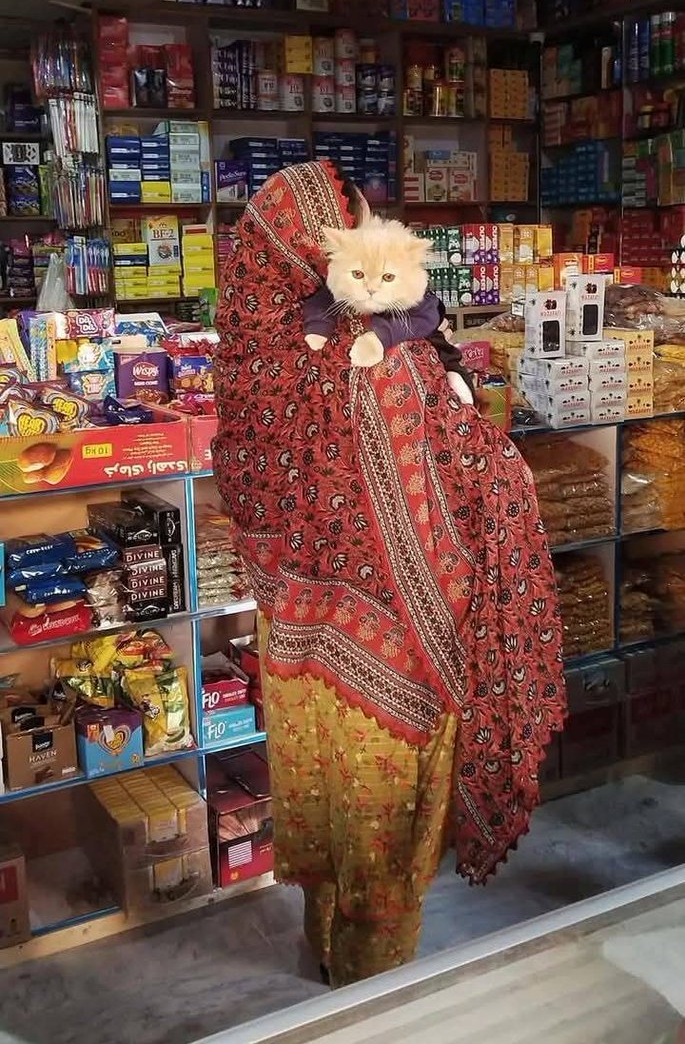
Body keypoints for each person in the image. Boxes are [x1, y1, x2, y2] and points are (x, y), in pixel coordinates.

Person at [212, 159, 565, 988]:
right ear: (314, 248)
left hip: (298, 639)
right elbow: (467, 473)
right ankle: (374, 989)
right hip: (394, 646)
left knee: (325, 797)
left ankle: (327, 947)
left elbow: (247, 479)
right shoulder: (375, 366)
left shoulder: (253, 347)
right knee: (378, 817)